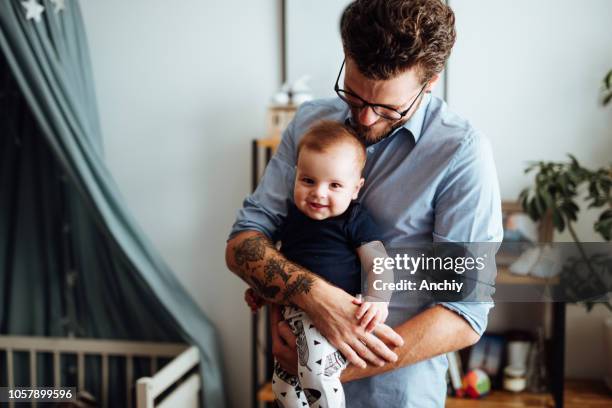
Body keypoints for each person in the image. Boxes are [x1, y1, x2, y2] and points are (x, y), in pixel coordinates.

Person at [226, 0, 503, 406]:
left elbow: (464, 316)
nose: (367, 119)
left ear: (431, 82)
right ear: (346, 57)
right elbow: (243, 245)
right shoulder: (308, 125)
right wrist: (313, 297)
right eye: (354, 97)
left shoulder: (462, 154)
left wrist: (324, 368)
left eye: (389, 107)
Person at [244, 121, 393, 408]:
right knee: (283, 387)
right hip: (294, 315)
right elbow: (281, 266)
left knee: (315, 373)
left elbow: (379, 263)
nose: (319, 193)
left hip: (333, 319)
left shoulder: (353, 219)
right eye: (308, 181)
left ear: (355, 189)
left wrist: (378, 299)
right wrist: (261, 290)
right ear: (296, 176)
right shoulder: (290, 220)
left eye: (335, 185)